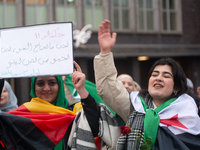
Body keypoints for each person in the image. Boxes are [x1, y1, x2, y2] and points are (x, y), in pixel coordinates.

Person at [93, 20, 200, 150]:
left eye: (166, 76)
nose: (158, 78)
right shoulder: (136, 105)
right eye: (154, 75)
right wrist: (105, 52)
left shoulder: (186, 111)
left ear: (176, 88)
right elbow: (108, 88)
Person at [0, 61, 100, 150]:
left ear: (60, 86)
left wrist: (81, 90)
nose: (46, 88)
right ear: (34, 87)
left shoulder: (75, 110)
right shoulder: (25, 113)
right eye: (40, 84)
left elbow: (95, 127)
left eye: (52, 83)